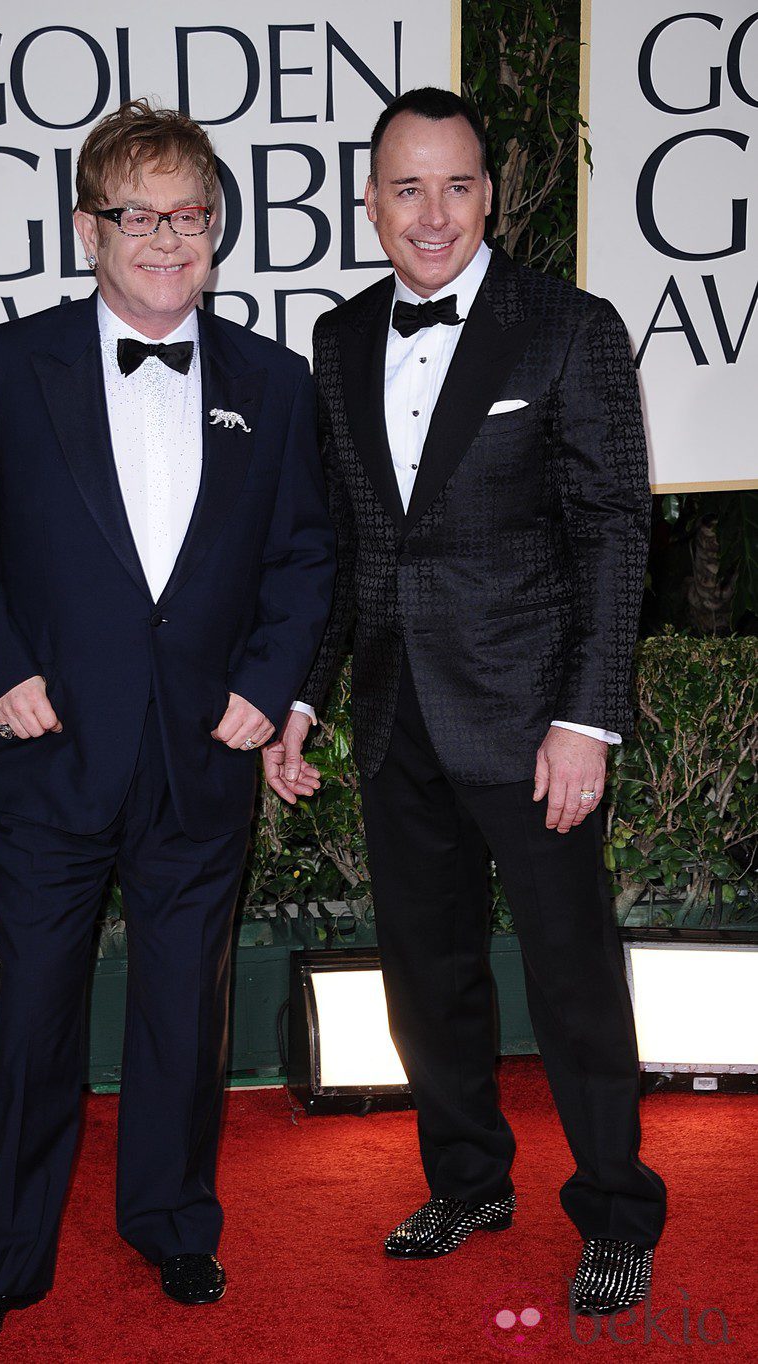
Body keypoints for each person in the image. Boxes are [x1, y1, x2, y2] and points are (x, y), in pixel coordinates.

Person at [0, 98, 334, 1346]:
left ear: (216, 227)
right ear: (88, 227)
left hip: (200, 754)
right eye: (137, 215)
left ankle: (170, 1224)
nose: (165, 238)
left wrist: (269, 687)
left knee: (180, 1015)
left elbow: (305, 557)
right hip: (49, 749)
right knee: (35, 1006)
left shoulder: (274, 378)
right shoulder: (10, 363)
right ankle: (0, 1255)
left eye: (187, 214)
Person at [265, 87, 666, 1316]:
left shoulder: (566, 328)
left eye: (454, 185)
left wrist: (585, 718)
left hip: (531, 717)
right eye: (404, 187)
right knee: (423, 974)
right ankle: (467, 1178)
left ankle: (613, 1208)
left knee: (570, 977)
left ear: (489, 193)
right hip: (396, 718)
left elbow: (611, 531)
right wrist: (302, 697)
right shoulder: (335, 343)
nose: (429, 213)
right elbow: (341, 547)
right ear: (370, 200)